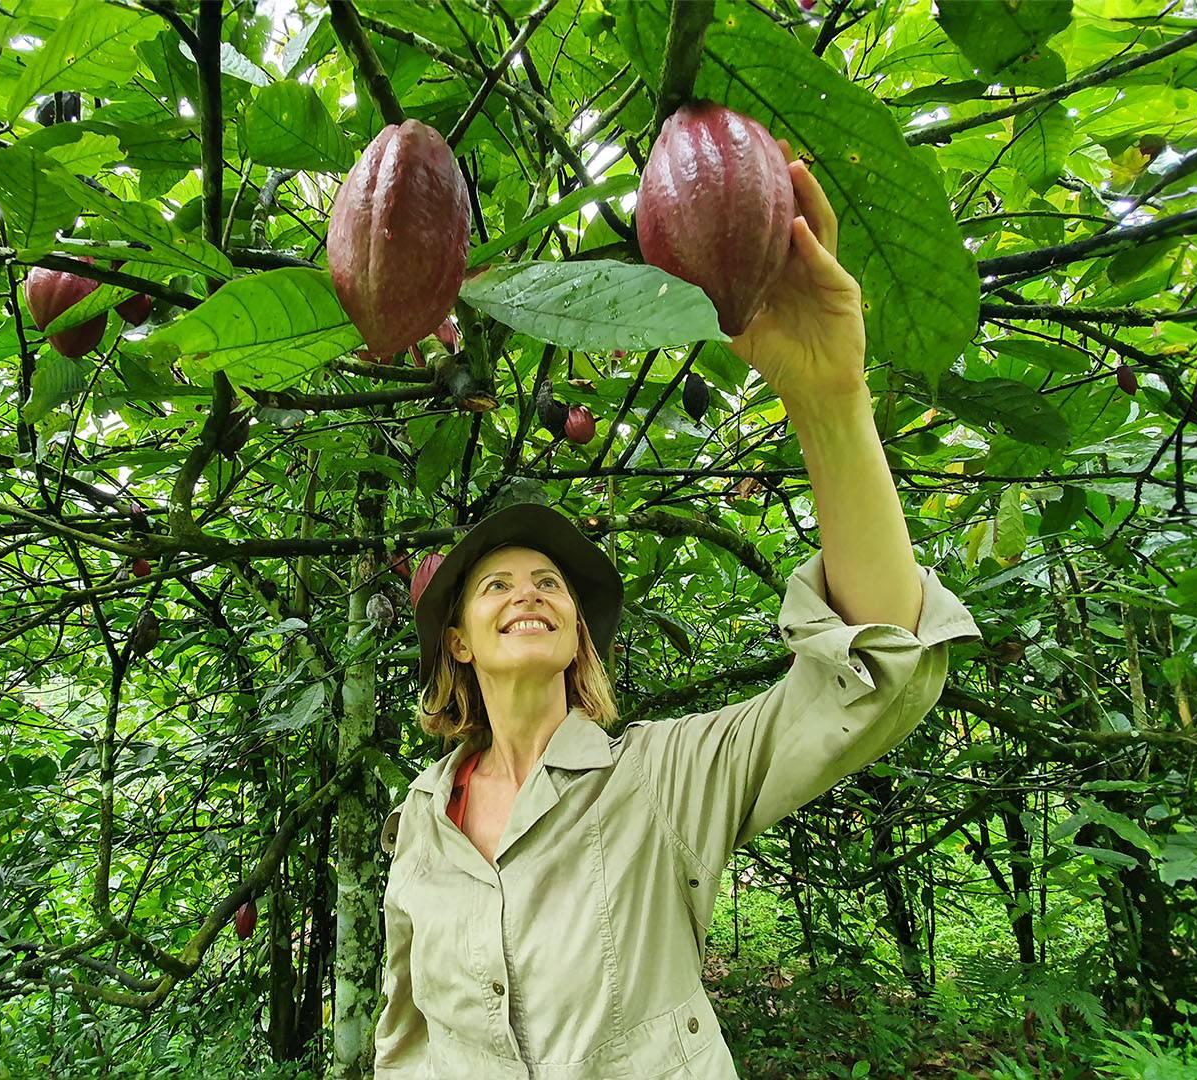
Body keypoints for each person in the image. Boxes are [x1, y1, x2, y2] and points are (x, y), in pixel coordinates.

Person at [371, 142, 982, 1077]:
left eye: (551, 584)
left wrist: (828, 401)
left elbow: (878, 672)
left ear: (578, 631)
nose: (528, 594)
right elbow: (404, 1033)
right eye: (495, 584)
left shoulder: (659, 780)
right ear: (457, 638)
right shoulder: (422, 818)